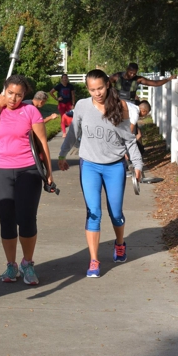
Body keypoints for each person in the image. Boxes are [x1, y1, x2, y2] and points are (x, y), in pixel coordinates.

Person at [57, 69, 143, 278]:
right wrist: (62, 154)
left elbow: (129, 138)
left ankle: (120, 244)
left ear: (108, 85)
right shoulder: (82, 106)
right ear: (88, 89)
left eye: (101, 88)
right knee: (93, 212)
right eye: (92, 89)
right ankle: (94, 260)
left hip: (114, 165)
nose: (97, 93)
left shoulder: (119, 106)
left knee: (115, 213)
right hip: (90, 165)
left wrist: (138, 163)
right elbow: (74, 132)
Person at [0, 74, 54, 285]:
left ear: (24, 96)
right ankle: (11, 266)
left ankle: (27, 264)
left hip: (27, 171)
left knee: (27, 218)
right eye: (10, 93)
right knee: (7, 219)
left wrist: (49, 171)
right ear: (4, 91)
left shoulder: (30, 111)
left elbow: (42, 142)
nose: (13, 98)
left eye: (18, 95)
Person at [110, 63, 177, 104]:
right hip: (117, 102)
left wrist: (168, 79)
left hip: (131, 103)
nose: (132, 75)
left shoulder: (138, 79)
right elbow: (105, 84)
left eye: (134, 73)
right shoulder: (117, 76)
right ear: (127, 69)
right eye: (130, 72)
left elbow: (155, 83)